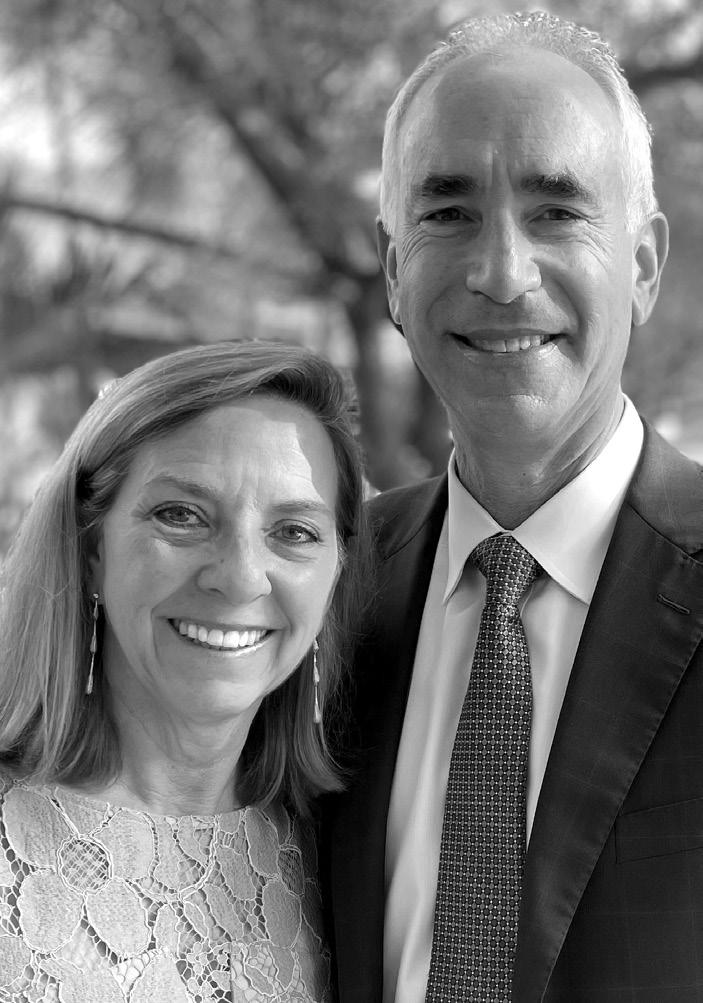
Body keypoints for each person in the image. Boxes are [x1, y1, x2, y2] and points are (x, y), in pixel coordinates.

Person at [322, 10, 703, 1003]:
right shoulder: (325, 584)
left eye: (556, 211)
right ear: (393, 270)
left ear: (643, 265)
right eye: (448, 212)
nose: (500, 272)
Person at [0, 340, 368, 1002]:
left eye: (293, 532)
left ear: (334, 575)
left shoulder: (344, 862)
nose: (240, 578)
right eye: (182, 516)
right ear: (91, 548)